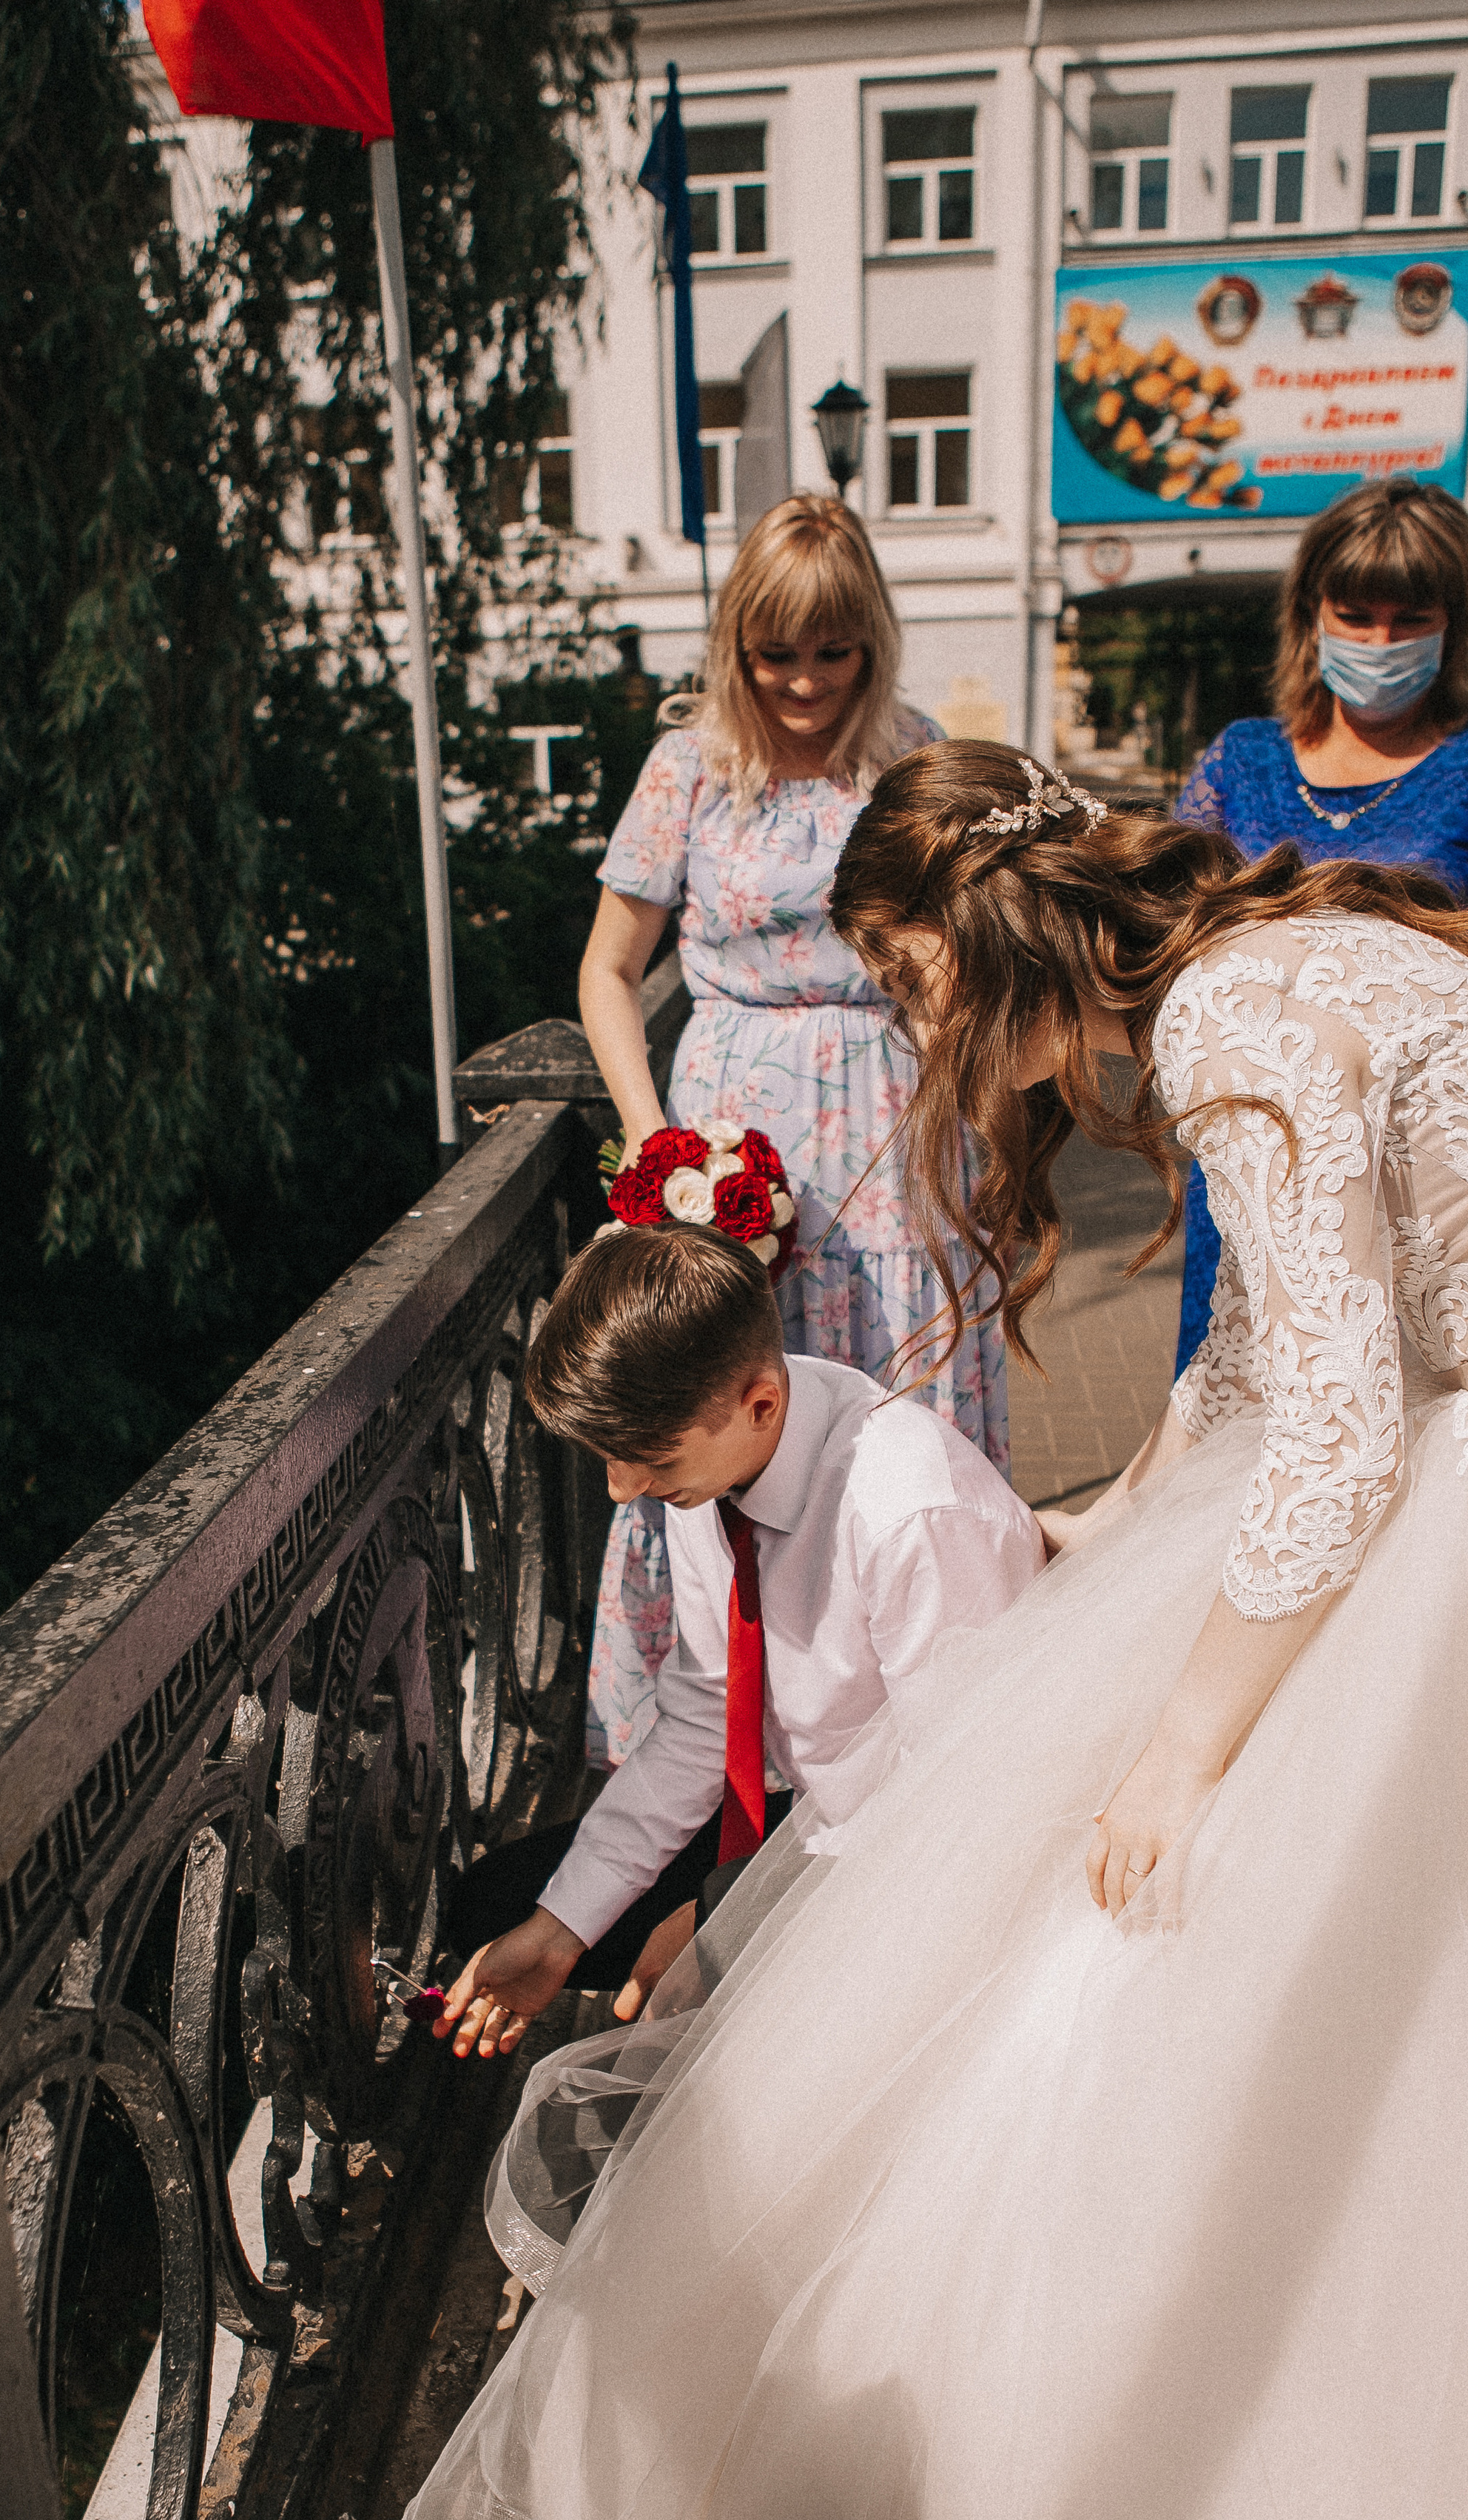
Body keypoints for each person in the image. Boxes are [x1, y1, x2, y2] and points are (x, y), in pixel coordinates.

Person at [349, 739, 1468, 2520]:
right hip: (1460, 1431)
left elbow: (1353, 1430)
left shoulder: (1242, 1014)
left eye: (906, 982)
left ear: (984, 938)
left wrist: (1177, 1753)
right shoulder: (1272, 960)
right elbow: (1269, 1355)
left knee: (1259, 1982)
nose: (910, 1033)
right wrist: (1123, 1515)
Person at [579, 491, 1006, 1773]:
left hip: (896, 1133)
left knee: (898, 1407)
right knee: (721, 1409)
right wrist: (660, 1152)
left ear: (872, 640)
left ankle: (921, 1705)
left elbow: (965, 952)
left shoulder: (912, 755)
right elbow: (607, 972)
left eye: (835, 651)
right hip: (733, 1146)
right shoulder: (688, 770)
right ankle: (721, 1720)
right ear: (737, 645)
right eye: (777, 653)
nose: (806, 680)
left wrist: (960, 1106)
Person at [434, 1221, 1041, 2057]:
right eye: (605, 1458)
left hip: (923, 1858)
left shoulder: (910, 1516)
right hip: (819, 1816)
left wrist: (729, 1918)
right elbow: (704, 1714)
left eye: (643, 1456)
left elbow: (966, 1811)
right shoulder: (720, 1458)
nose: (623, 1491)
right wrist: (559, 1927)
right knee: (495, 1910)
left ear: (758, 1402)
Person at [1173, 476, 1468, 1370]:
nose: (1379, 642)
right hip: (1260, 1142)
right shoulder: (1243, 758)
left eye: (1408, 617)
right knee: (1248, 1402)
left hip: (1431, 1163)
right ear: (1310, 613)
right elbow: (1171, 927)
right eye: (1355, 614)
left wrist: (1412, 966)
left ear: (1453, 622)